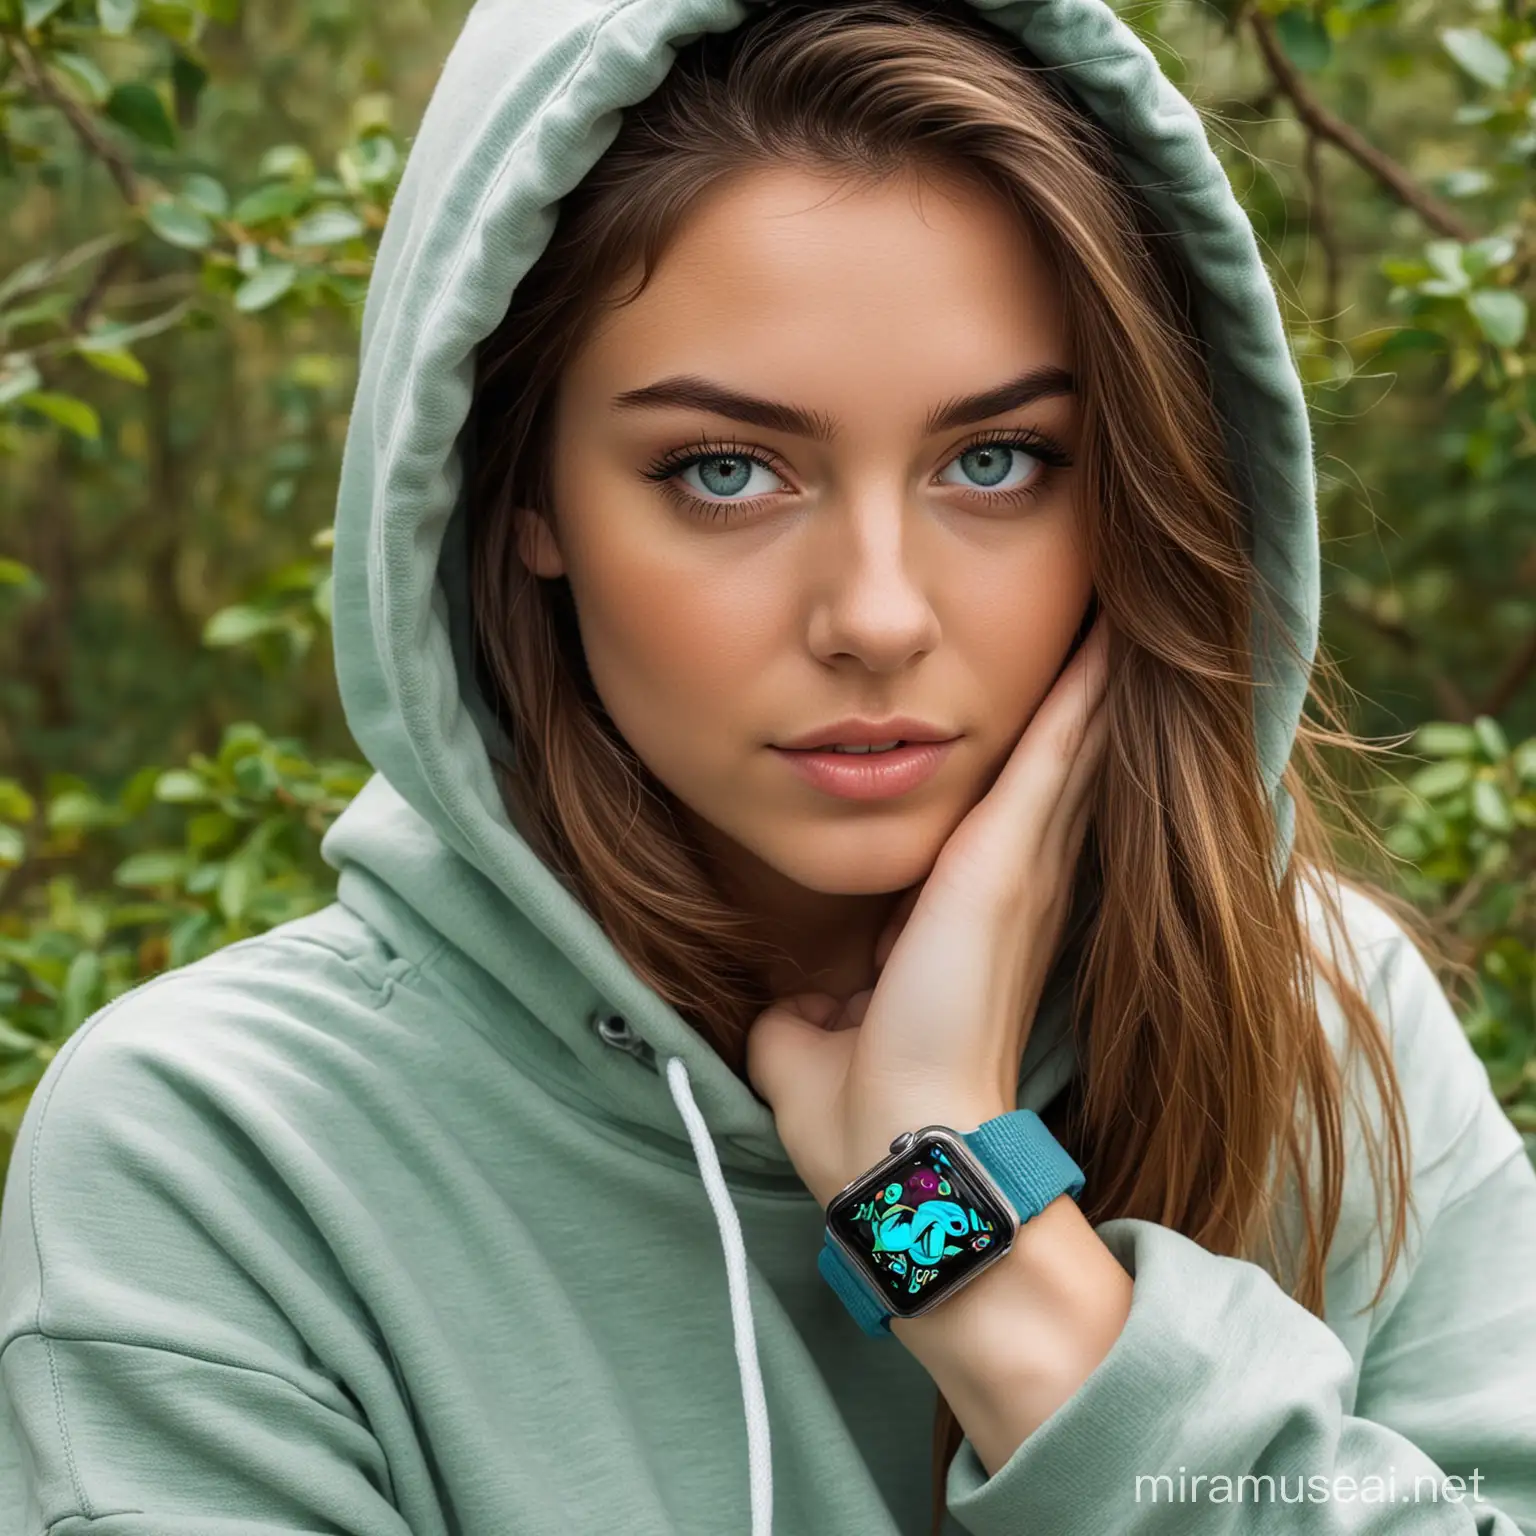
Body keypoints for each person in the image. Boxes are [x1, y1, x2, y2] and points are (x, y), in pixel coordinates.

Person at [1, 1, 1533, 1533]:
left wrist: (964, 1229)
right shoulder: (227, 1159)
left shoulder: (1328, 1032)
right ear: (518, 491)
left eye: (995, 461)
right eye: (725, 472)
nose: (877, 615)